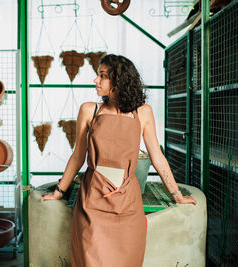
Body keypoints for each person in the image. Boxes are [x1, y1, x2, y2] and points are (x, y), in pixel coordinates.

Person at [41, 54, 197, 266]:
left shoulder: (143, 113)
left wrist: (177, 195)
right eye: (98, 75)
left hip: (128, 203)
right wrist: (59, 192)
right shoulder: (89, 110)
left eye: (102, 76)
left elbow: (157, 157)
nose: (96, 80)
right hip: (93, 201)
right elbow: (78, 155)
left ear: (119, 81)